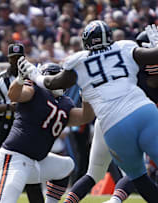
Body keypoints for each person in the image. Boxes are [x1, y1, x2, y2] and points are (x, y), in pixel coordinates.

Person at [18, 20, 158, 202]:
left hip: (112, 125)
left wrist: (33, 74)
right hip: (142, 111)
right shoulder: (125, 47)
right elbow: (152, 57)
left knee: (137, 176)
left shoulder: (78, 61)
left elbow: (51, 83)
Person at [63, 29, 158, 203]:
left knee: (98, 172)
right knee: (135, 170)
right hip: (123, 119)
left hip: (109, 121)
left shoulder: (126, 61)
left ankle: (112, 200)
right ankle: (114, 200)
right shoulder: (131, 63)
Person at [0, 62, 95, 203]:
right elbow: (14, 95)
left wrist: (86, 95)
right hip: (15, 158)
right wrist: (20, 79)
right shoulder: (35, 90)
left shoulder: (65, 103)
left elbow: (86, 116)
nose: (60, 82)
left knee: (66, 166)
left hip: (36, 162)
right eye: (57, 77)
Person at [0, 43, 44, 203]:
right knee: (1, 165)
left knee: (31, 164)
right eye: (14, 58)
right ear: (8, 59)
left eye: (19, 58)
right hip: (6, 124)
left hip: (27, 126)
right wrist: (8, 107)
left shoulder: (33, 76)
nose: (17, 61)